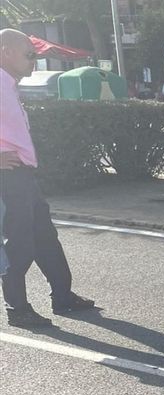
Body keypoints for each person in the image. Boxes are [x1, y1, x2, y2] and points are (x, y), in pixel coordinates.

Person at [0, 29, 94, 327]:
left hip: (23, 175)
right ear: (6, 51)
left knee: (45, 238)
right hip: (8, 178)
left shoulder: (8, 85)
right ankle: (17, 310)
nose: (35, 62)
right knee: (19, 243)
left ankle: (62, 296)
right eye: (30, 55)